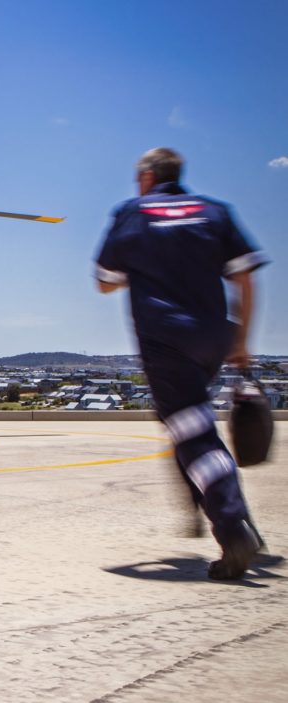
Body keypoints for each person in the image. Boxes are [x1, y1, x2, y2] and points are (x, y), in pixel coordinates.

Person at [94, 148, 269, 580]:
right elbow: (245, 277)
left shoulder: (133, 212)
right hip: (213, 337)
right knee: (190, 427)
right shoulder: (214, 211)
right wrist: (241, 341)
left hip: (166, 339)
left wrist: (142, 268)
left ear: (147, 177)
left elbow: (104, 281)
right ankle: (228, 515)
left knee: (194, 436)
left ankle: (234, 529)